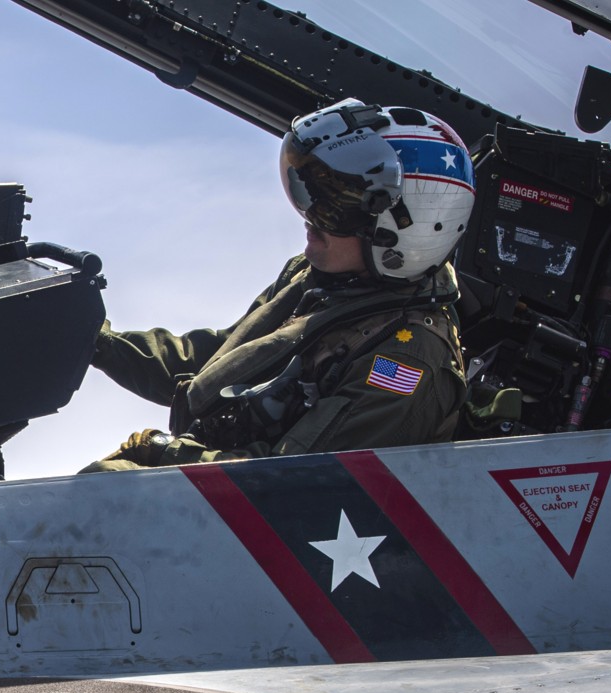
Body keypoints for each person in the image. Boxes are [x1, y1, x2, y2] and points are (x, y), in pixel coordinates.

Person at [83, 100, 475, 471]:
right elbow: (217, 363)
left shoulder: (405, 361)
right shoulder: (315, 279)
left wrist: (165, 452)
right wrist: (91, 338)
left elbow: (290, 480)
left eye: (336, 206)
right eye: (313, 193)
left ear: (409, 231)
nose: (310, 217)